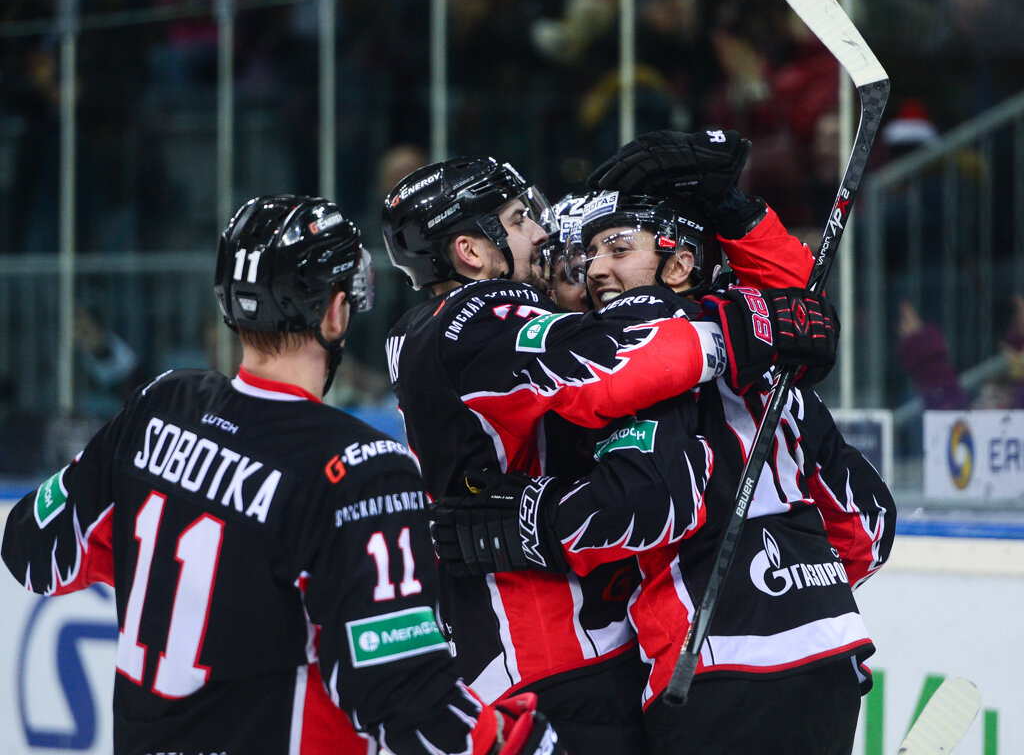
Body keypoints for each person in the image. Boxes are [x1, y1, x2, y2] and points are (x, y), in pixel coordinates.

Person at [1, 194, 562, 755]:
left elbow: (28, 543)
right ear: (337, 312)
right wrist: (517, 741)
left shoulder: (159, 404)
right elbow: (404, 696)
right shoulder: (362, 469)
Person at [380, 141, 836, 753]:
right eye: (518, 221)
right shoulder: (473, 318)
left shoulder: (479, 324)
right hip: (554, 667)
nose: (542, 234)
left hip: (581, 658)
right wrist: (741, 330)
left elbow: (803, 307)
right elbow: (606, 366)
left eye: (613, 251)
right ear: (470, 251)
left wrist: (736, 215)